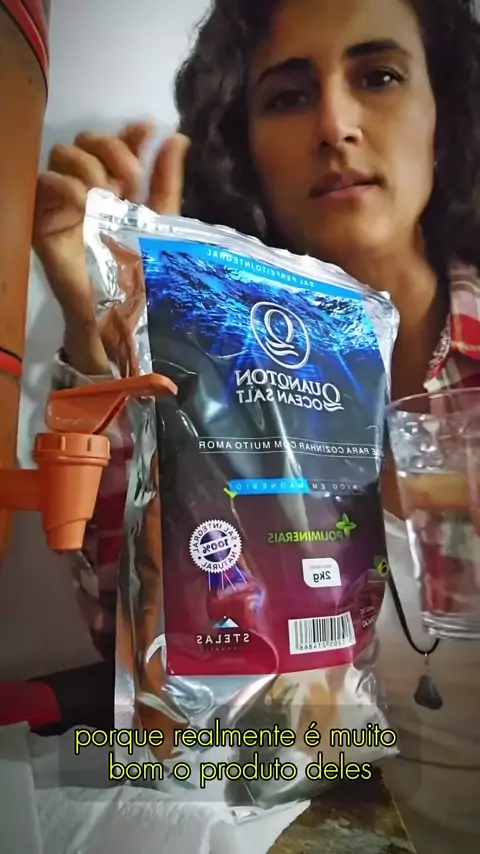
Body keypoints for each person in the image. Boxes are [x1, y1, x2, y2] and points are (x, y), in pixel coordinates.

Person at [33, 0, 480, 850]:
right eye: (288, 96)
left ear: (445, 116)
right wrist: (107, 337)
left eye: (379, 76)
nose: (336, 125)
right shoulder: (210, 375)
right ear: (245, 150)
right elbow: (137, 656)